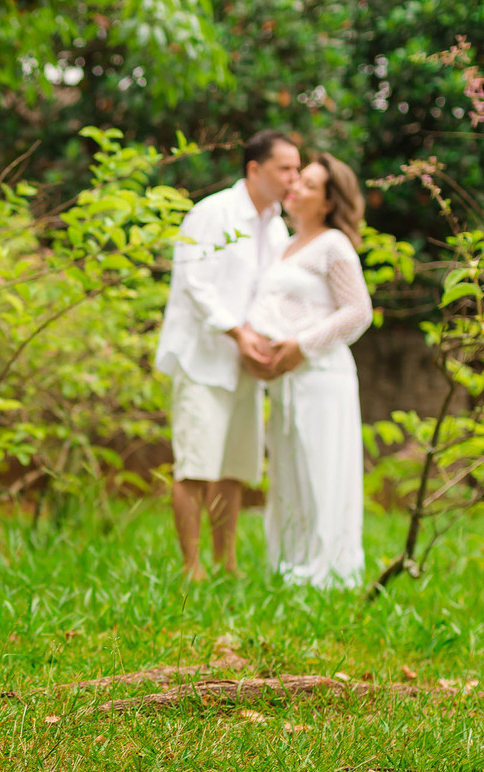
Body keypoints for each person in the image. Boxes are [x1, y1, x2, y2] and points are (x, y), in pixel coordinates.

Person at [154, 130, 301, 580]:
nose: (294, 178)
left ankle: (227, 563)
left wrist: (261, 338)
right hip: (203, 359)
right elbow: (193, 281)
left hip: (246, 364)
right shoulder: (212, 212)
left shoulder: (277, 225)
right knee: (196, 465)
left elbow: (272, 293)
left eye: (298, 169)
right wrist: (238, 332)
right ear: (255, 170)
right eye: (285, 169)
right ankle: (192, 567)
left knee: (234, 467)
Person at [244, 153, 372, 587]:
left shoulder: (333, 244)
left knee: (322, 467)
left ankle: (329, 569)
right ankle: (291, 563)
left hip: (323, 376)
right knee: (288, 469)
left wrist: (302, 345)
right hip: (286, 380)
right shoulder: (282, 244)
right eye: (297, 179)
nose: (295, 187)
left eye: (310, 185)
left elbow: (358, 311)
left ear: (329, 202)